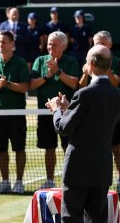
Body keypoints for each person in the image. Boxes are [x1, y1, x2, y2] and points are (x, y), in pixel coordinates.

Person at [46, 44, 120, 222]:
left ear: (91, 65)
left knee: (71, 218)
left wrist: (57, 110)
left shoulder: (84, 94)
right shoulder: (116, 94)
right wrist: (68, 108)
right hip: (101, 168)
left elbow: (63, 128)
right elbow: (94, 118)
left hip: (78, 169)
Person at [29, 31, 79, 189]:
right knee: (49, 148)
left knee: (68, 147)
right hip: (45, 113)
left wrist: (58, 71)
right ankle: (50, 180)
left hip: (67, 113)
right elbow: (32, 85)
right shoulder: (39, 60)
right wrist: (47, 75)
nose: (50, 46)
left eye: (54, 44)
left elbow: (74, 84)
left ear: (63, 46)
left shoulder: (70, 61)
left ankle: (71, 178)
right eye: (49, 43)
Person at [0, 30, 30, 194]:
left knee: (19, 148)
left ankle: (19, 182)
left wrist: (8, 84)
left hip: (16, 114)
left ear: (12, 44)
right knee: (0, 149)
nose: (0, 45)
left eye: (4, 42)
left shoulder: (20, 63)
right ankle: (5, 181)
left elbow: (26, 87)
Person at [78, 30, 120, 192]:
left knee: (116, 147)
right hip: (92, 111)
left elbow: (115, 84)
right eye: (97, 43)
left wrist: (105, 68)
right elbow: (81, 86)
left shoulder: (116, 62)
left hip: (111, 110)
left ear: (109, 45)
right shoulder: (89, 61)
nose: (99, 46)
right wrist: (85, 72)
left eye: (103, 43)